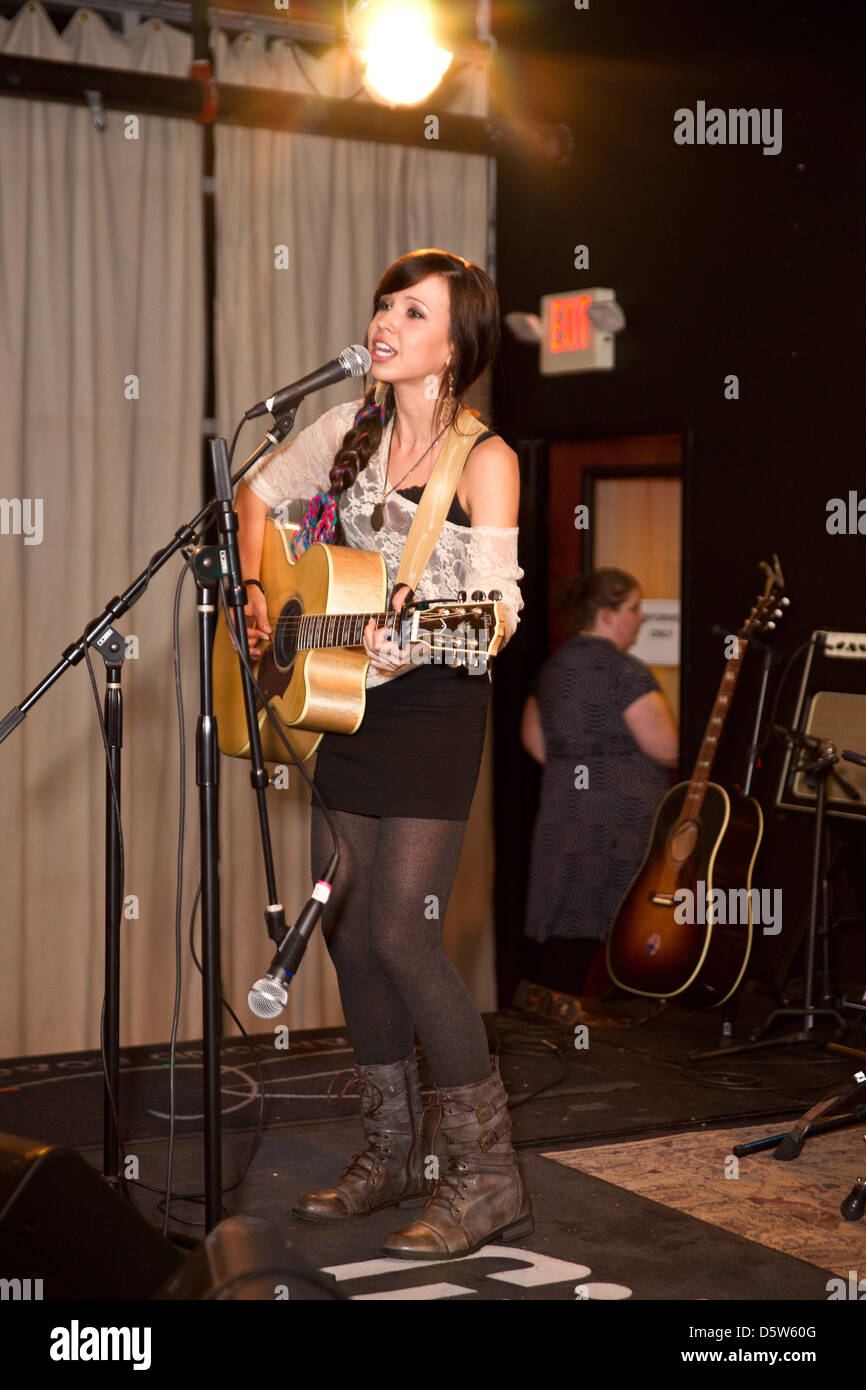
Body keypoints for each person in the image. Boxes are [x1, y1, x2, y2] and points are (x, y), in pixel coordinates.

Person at [235, 248, 532, 1259]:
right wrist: (258, 589)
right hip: (341, 702)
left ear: (454, 347)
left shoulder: (482, 458)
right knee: (346, 930)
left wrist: (422, 640)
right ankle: (391, 1155)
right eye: (383, 304)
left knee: (403, 932)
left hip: (433, 706)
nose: (386, 320)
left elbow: (496, 612)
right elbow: (251, 496)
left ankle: (488, 1179)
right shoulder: (346, 430)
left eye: (413, 310)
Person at [521, 569, 678, 996]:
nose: (641, 619)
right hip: (620, 812)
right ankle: (622, 1012)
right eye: (634, 609)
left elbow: (533, 738)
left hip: (564, 807)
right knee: (623, 911)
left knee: (568, 908)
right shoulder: (625, 671)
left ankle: (556, 1012)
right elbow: (666, 746)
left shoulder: (553, 666)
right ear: (607, 615)